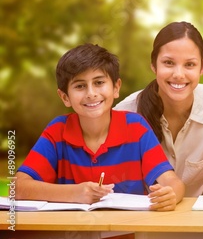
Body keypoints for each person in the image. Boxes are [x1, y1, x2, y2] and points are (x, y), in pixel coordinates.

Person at [16, 43, 185, 211]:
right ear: (65, 97)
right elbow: (17, 187)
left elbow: (173, 182)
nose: (91, 93)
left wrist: (171, 195)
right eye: (80, 86)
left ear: (116, 87)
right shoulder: (57, 131)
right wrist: (74, 193)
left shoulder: (135, 127)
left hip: (127, 232)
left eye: (98, 82)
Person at [114, 21, 203, 197]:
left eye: (189, 64)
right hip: (138, 219)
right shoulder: (126, 114)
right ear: (154, 65)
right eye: (169, 63)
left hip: (192, 220)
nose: (179, 74)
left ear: (202, 67)